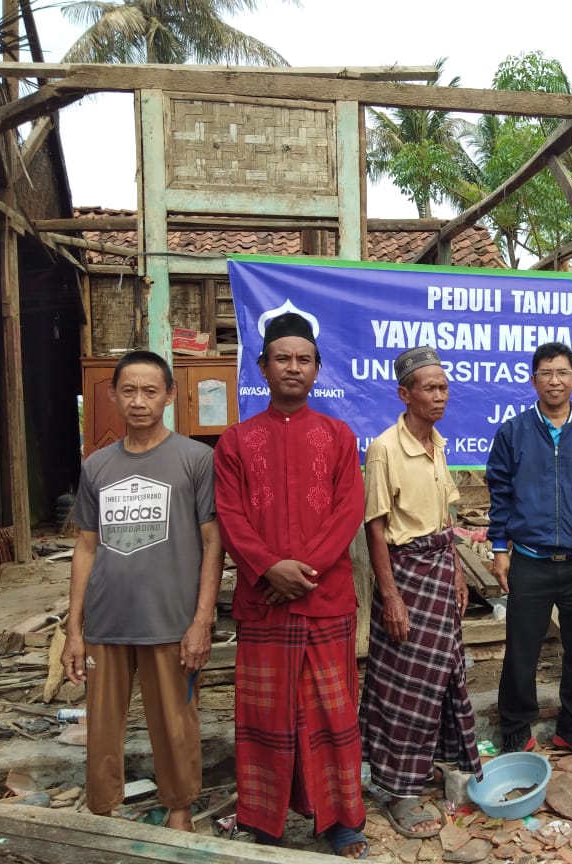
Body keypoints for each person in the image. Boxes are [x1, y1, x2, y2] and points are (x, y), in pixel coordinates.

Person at [214, 312, 369, 858]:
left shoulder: (338, 436)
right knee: (265, 719)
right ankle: (262, 819)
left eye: (304, 359)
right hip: (265, 603)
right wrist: (266, 569)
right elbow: (230, 517)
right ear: (263, 367)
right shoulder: (235, 441)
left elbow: (349, 510)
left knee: (332, 715)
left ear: (317, 370)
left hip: (324, 601)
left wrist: (298, 573)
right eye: (283, 358)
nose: (293, 367)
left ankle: (341, 820)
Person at [62, 350, 221, 832]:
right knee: (103, 727)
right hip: (107, 620)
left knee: (175, 724)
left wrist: (202, 620)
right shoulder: (97, 466)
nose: (138, 401)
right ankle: (104, 813)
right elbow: (86, 549)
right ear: (112, 395)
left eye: (150, 391)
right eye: (128, 391)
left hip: (170, 621)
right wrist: (74, 629)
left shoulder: (196, 459)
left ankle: (180, 809)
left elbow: (214, 543)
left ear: (169, 396)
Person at [360, 346, 483, 840]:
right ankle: (398, 791)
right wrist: (390, 597)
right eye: (429, 388)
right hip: (405, 576)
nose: (439, 396)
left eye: (444, 387)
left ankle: (435, 769)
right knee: (402, 688)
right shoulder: (384, 448)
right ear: (404, 394)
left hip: (438, 570)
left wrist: (456, 571)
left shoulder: (437, 443)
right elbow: (375, 527)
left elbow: (447, 520)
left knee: (445, 676)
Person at [485, 342, 572, 760]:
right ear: (533, 381)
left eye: (562, 373)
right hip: (530, 558)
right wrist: (499, 548)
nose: (554, 381)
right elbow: (501, 493)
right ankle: (515, 728)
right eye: (545, 373)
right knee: (521, 648)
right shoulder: (513, 433)